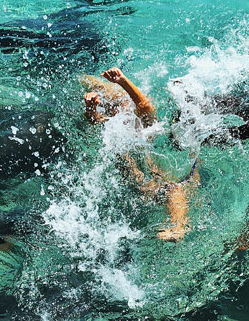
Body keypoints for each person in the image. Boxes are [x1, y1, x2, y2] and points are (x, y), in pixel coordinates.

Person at [82, 67, 200, 242]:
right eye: (113, 107)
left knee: (171, 189)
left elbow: (145, 106)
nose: (118, 110)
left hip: (165, 168)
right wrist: (91, 109)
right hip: (139, 170)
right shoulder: (115, 124)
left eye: (121, 105)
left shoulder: (144, 122)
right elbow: (97, 124)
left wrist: (123, 81)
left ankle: (179, 227)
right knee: (132, 170)